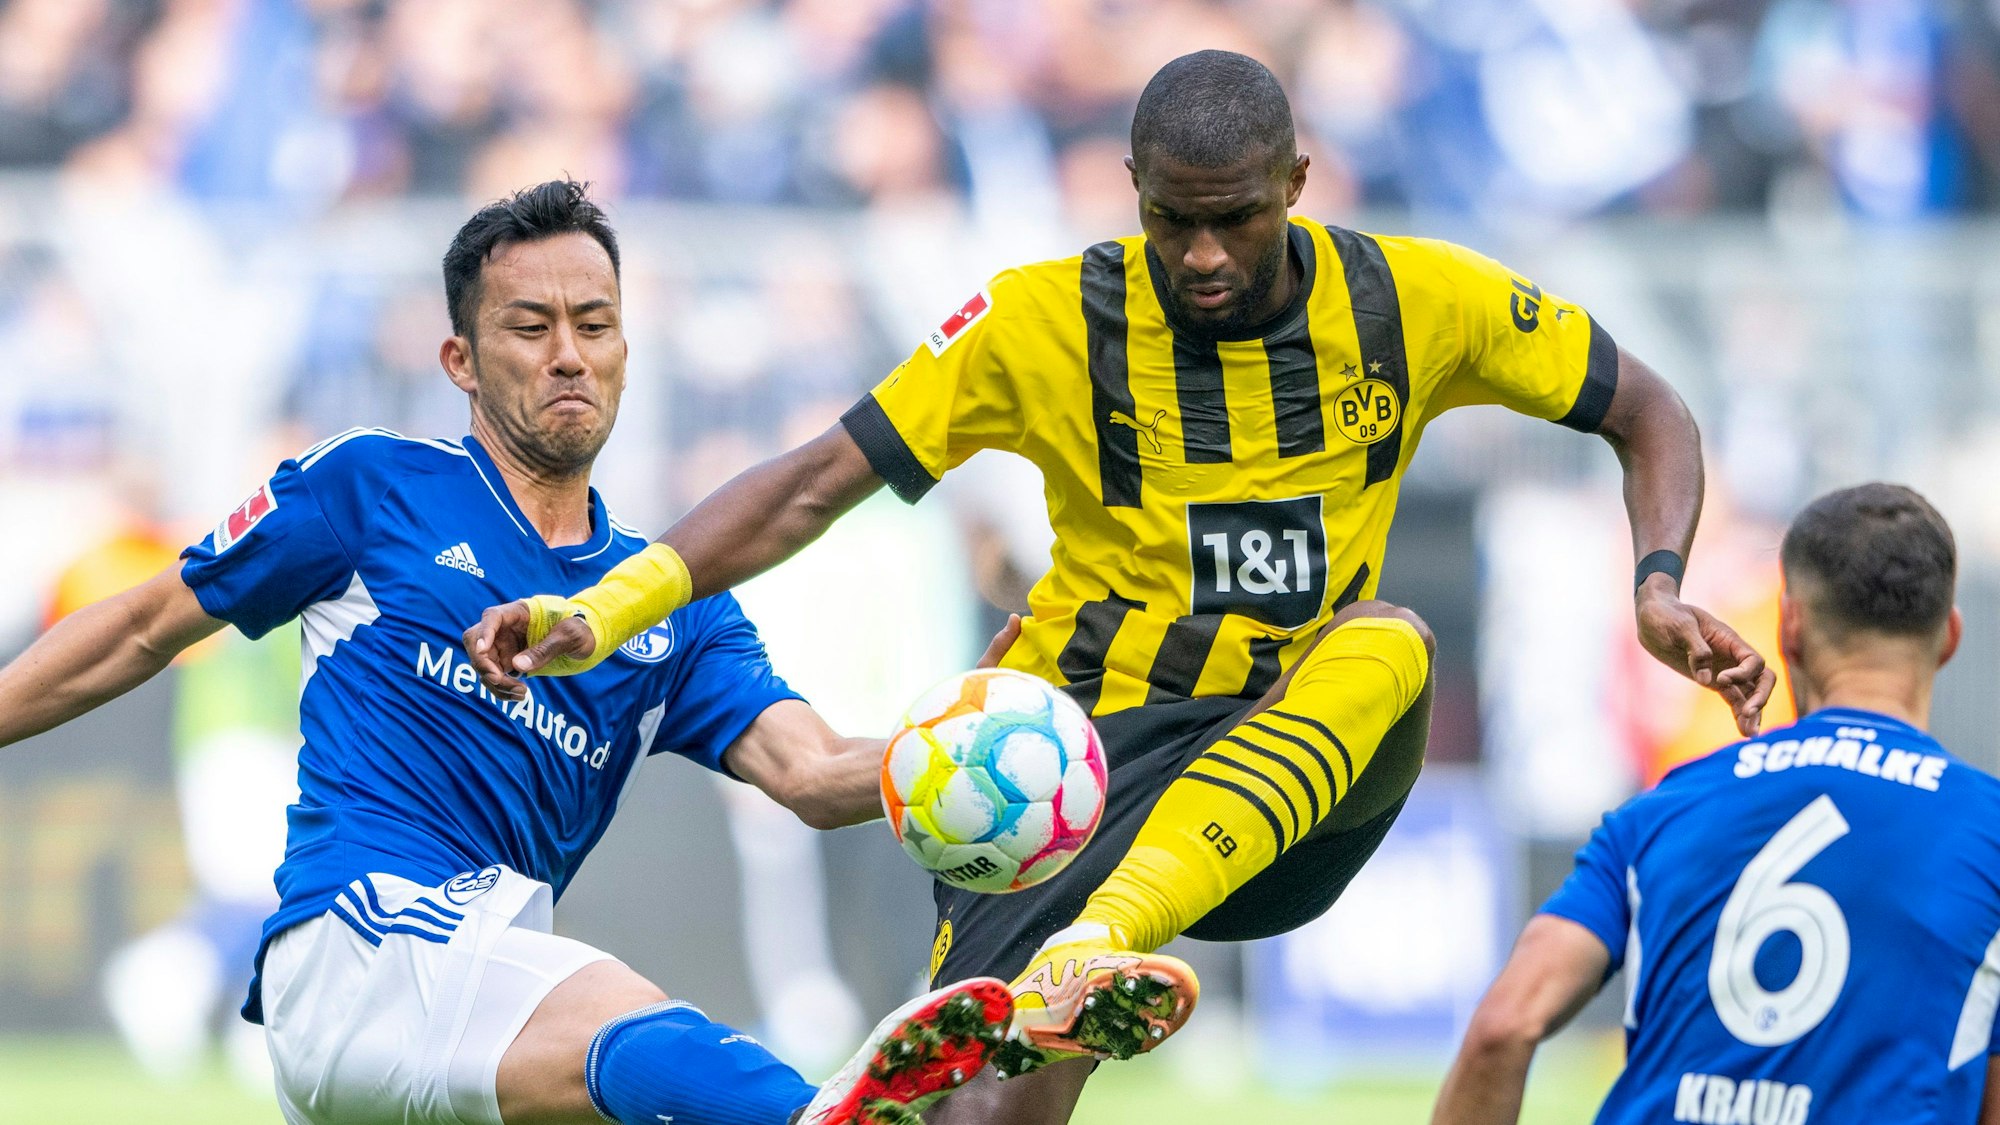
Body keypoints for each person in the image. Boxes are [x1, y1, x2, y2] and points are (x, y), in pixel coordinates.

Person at [464, 54, 1773, 1124]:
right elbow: (812, 481)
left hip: (1297, 762)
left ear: (1297, 185)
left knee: (1391, 640)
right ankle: (1075, 977)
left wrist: (1657, 582)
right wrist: (609, 607)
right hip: (1067, 763)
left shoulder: (1414, 301)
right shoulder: (1036, 323)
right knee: (979, 1112)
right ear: (1131, 187)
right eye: (1171, 218)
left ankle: (1106, 941)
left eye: (1237, 217)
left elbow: (1647, 407)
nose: (1203, 254)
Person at [0, 179, 1015, 1125]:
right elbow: (142, 625)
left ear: (626, 349)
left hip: (484, 1002)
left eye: (595, 324)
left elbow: (815, 773)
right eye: (530, 327)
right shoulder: (371, 488)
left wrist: (958, 740)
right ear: (461, 362)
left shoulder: (676, 604)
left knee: (633, 1045)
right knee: (635, 1024)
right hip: (359, 947)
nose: (567, 353)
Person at [1432, 484, 2000, 1125]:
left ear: (1790, 625)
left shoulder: (1664, 808)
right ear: (1949, 635)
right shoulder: (1988, 832)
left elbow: (1503, 1026)